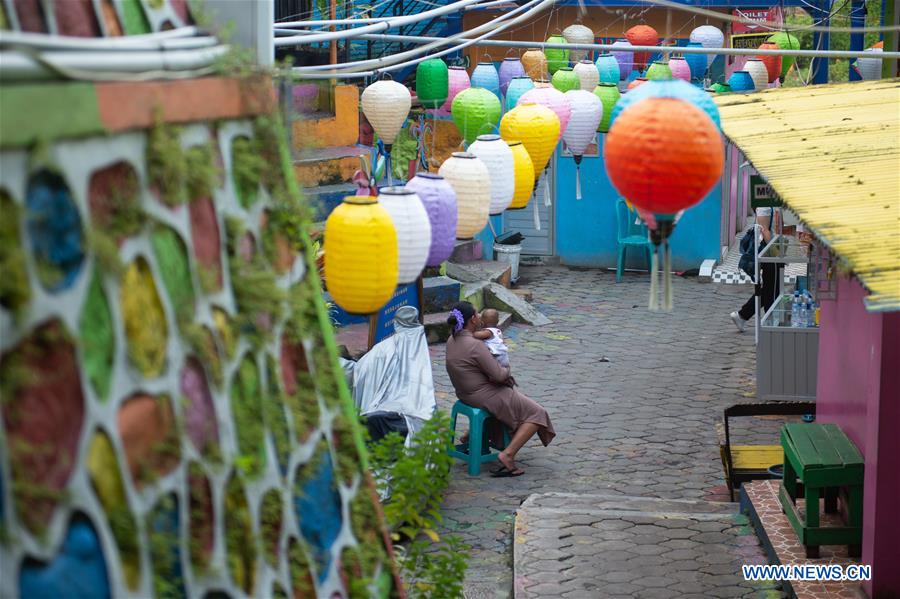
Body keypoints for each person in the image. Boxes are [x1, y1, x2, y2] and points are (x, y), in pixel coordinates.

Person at [445, 302, 554, 477]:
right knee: (537, 413)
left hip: (465, 394)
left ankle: (472, 436)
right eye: (477, 314)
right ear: (472, 319)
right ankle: (507, 455)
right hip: (484, 395)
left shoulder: (452, 340)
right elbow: (499, 375)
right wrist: (507, 369)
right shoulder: (474, 345)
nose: (479, 317)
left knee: (517, 399)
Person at [731, 207, 783, 333]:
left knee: (769, 289)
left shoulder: (770, 203)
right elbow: (764, 230)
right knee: (772, 290)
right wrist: (777, 254)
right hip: (769, 253)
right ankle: (769, 324)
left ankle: (742, 315)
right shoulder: (765, 205)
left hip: (772, 251)